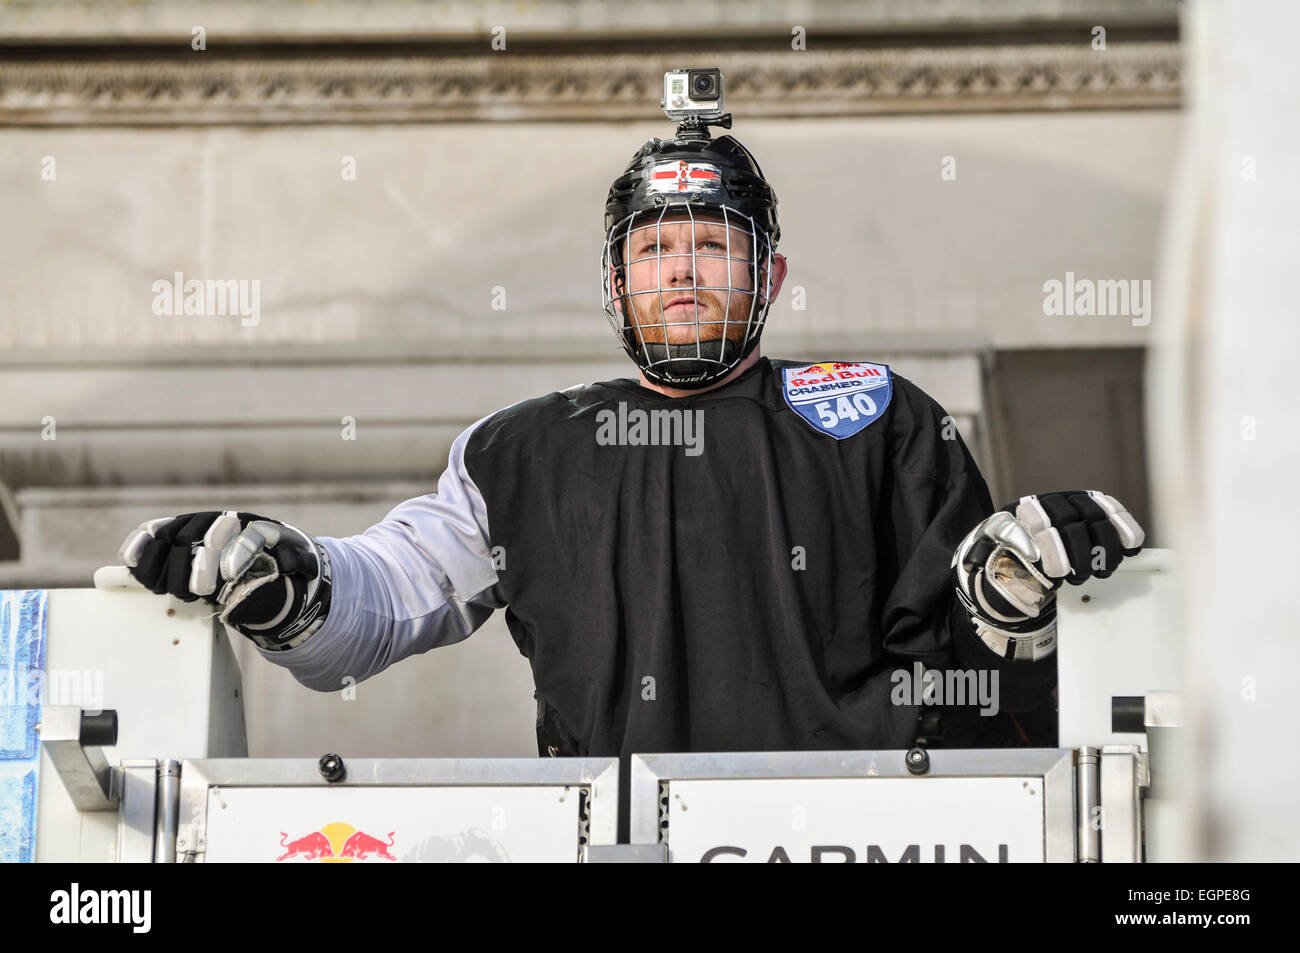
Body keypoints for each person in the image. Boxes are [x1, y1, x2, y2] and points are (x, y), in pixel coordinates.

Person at [116, 116, 1144, 828]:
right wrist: (286, 581)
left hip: (858, 837)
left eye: (714, 244)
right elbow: (384, 597)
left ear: (770, 273)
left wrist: (1024, 585)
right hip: (616, 841)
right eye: (656, 250)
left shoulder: (875, 415)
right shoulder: (524, 451)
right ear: (615, 281)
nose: (685, 272)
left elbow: (983, 675)